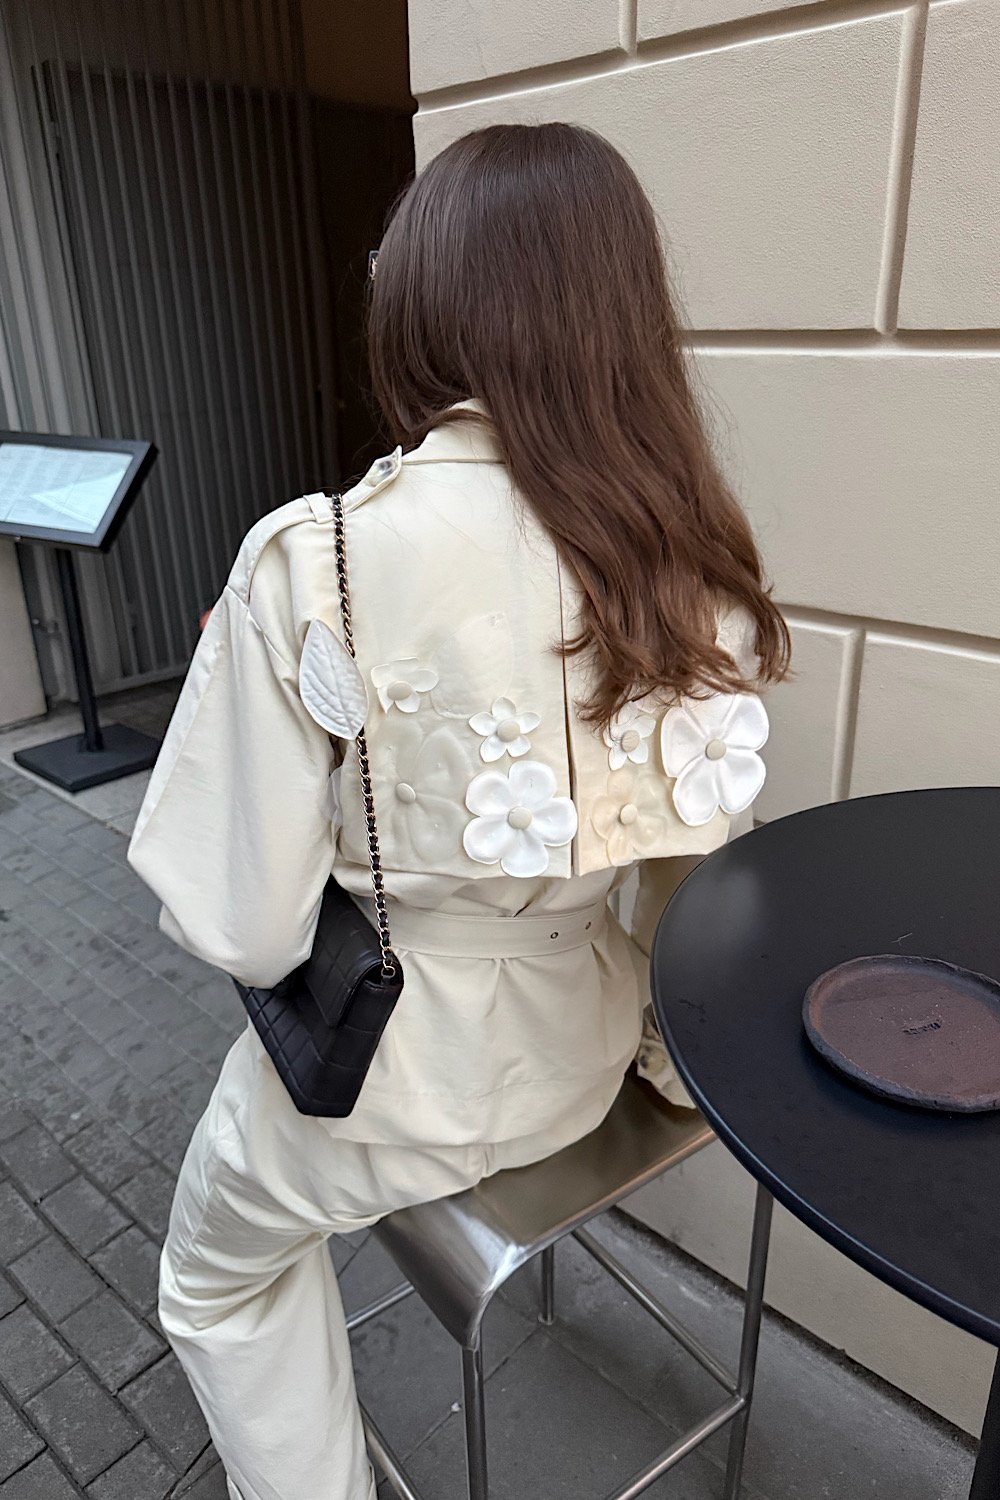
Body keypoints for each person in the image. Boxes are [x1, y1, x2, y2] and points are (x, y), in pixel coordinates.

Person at [127, 121, 789, 1500]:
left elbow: (244, 927)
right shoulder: (687, 570)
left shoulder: (314, 560)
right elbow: (690, 898)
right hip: (581, 1060)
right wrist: (667, 1076)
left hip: (374, 1091)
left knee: (216, 1280)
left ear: (422, 302)